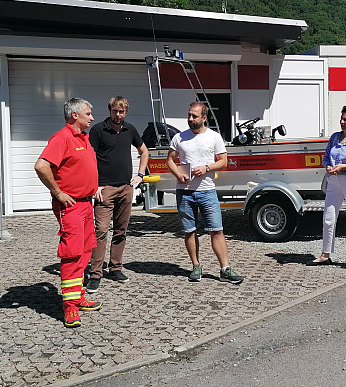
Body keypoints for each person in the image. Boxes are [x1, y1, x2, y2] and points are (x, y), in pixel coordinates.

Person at [34, 98, 102, 328]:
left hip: (86, 204)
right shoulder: (62, 138)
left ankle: (77, 297)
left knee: (85, 250)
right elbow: (41, 166)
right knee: (72, 253)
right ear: (75, 115)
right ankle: (69, 308)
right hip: (71, 206)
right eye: (88, 113)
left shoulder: (83, 138)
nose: (92, 117)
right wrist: (58, 193)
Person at [165, 102, 244, 284]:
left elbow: (223, 161)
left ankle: (225, 269)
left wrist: (207, 167)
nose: (190, 119)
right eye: (189, 115)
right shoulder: (179, 138)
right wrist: (178, 174)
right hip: (184, 192)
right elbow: (170, 160)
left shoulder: (214, 137)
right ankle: (196, 266)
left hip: (207, 191)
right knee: (189, 231)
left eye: (194, 116)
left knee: (217, 230)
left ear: (204, 118)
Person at [86, 96, 149, 293]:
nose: (118, 115)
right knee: (100, 231)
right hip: (104, 189)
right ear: (110, 110)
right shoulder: (98, 130)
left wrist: (139, 175)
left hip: (125, 188)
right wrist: (94, 186)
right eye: (115, 111)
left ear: (126, 112)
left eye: (121, 112)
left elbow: (144, 151)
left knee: (121, 231)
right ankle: (95, 274)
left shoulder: (130, 129)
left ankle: (115, 268)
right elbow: (88, 158)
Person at [308, 104, 346, 271]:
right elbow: (327, 156)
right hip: (334, 181)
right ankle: (325, 254)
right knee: (328, 218)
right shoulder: (335, 137)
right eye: (341, 119)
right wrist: (328, 166)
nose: (342, 122)